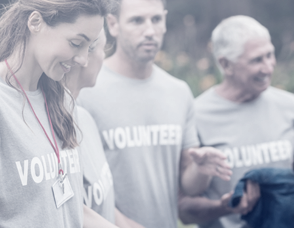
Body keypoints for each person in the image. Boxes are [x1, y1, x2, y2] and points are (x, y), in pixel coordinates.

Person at [77, 0, 232, 227]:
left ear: (165, 21)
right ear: (113, 24)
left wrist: (200, 169)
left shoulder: (178, 91)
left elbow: (189, 187)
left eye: (156, 19)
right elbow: (78, 188)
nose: (149, 31)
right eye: (137, 20)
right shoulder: (86, 89)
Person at [178, 15, 294, 228]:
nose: (268, 67)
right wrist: (225, 206)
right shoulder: (196, 115)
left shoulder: (292, 107)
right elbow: (185, 210)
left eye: (270, 55)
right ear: (226, 64)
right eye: (257, 60)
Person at [0, 0, 108, 227]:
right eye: (75, 43)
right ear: (36, 22)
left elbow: (69, 206)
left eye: (89, 47)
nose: (83, 60)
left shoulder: (64, 101)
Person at [65, 28, 145, 228]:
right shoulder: (50, 128)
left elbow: (102, 207)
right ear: (84, 56)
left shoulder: (84, 118)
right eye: (103, 49)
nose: (104, 57)